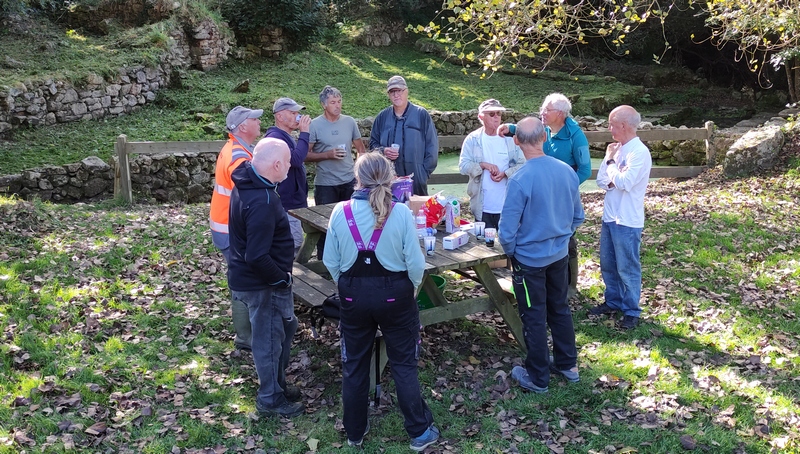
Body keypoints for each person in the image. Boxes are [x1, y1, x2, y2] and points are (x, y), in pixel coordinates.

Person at [322, 153, 439, 451]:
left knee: (354, 365)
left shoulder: (340, 211)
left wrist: (349, 287)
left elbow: (330, 261)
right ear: (390, 178)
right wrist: (410, 291)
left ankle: (355, 433)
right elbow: (415, 264)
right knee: (403, 365)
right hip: (395, 295)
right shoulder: (399, 213)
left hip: (353, 296)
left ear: (356, 178)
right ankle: (418, 431)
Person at [498, 117, 585, 394]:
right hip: (558, 255)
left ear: (516, 141)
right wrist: (560, 237)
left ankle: (537, 377)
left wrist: (513, 253)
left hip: (529, 261)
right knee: (559, 308)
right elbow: (577, 217)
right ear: (544, 138)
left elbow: (507, 231)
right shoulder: (567, 171)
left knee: (533, 316)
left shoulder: (520, 179)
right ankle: (568, 365)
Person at [228, 138, 304, 417]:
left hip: (253, 279)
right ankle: (271, 398)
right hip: (263, 284)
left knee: (286, 328)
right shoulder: (262, 199)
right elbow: (257, 256)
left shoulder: (250, 182)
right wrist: (281, 280)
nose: (289, 166)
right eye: (286, 162)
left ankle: (278, 385)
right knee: (270, 339)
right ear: (275, 164)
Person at [499, 93, 591, 299]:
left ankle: (569, 288)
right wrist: (513, 129)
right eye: (541, 109)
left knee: (568, 243)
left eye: (546, 110)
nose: (542, 112)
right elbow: (532, 135)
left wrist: (565, 187)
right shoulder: (546, 131)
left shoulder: (576, 136)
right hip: (539, 192)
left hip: (562, 197)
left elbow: (585, 169)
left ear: (560, 113)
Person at [589, 105, 652, 330]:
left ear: (623, 125)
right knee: (608, 263)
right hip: (610, 216)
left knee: (627, 266)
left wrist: (611, 164)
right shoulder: (616, 149)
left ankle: (631, 310)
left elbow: (624, 183)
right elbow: (601, 181)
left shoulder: (638, 152)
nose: (609, 128)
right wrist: (612, 169)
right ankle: (613, 301)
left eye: (612, 124)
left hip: (627, 219)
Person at [209, 105, 263, 351]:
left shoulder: (236, 149)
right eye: (255, 119)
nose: (259, 122)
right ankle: (246, 340)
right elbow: (251, 187)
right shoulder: (238, 156)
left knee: (241, 281)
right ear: (243, 126)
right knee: (243, 284)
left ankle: (246, 336)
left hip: (227, 227)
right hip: (232, 231)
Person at [307, 86, 366, 260]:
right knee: (325, 225)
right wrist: (327, 155)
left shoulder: (349, 122)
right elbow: (304, 154)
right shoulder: (314, 125)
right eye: (333, 102)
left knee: (352, 224)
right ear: (324, 105)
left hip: (349, 181)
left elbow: (361, 149)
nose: (337, 106)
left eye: (339, 101)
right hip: (326, 184)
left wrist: (359, 173)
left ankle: (352, 259)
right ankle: (323, 263)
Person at [458, 98, 525, 230]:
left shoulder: (511, 139)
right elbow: (463, 166)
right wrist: (482, 165)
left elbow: (523, 164)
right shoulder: (473, 139)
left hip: (508, 207)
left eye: (499, 114)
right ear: (481, 116)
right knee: (483, 248)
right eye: (491, 114)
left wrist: (506, 174)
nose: (496, 118)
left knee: (508, 246)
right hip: (481, 206)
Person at [369, 75, 438, 196]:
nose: (396, 95)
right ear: (388, 95)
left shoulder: (421, 114)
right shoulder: (382, 117)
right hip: (388, 182)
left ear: (406, 91)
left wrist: (423, 174)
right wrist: (383, 151)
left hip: (416, 181)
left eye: (399, 90)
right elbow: (372, 145)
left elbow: (432, 146)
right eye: (392, 92)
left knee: (418, 213)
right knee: (389, 213)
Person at [264, 97, 311, 256]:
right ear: (279, 116)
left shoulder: (285, 136)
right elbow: (296, 160)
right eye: (293, 113)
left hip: (292, 203)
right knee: (292, 247)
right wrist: (305, 133)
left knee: (294, 245)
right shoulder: (276, 138)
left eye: (298, 113)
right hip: (286, 205)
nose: (298, 116)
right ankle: (290, 278)